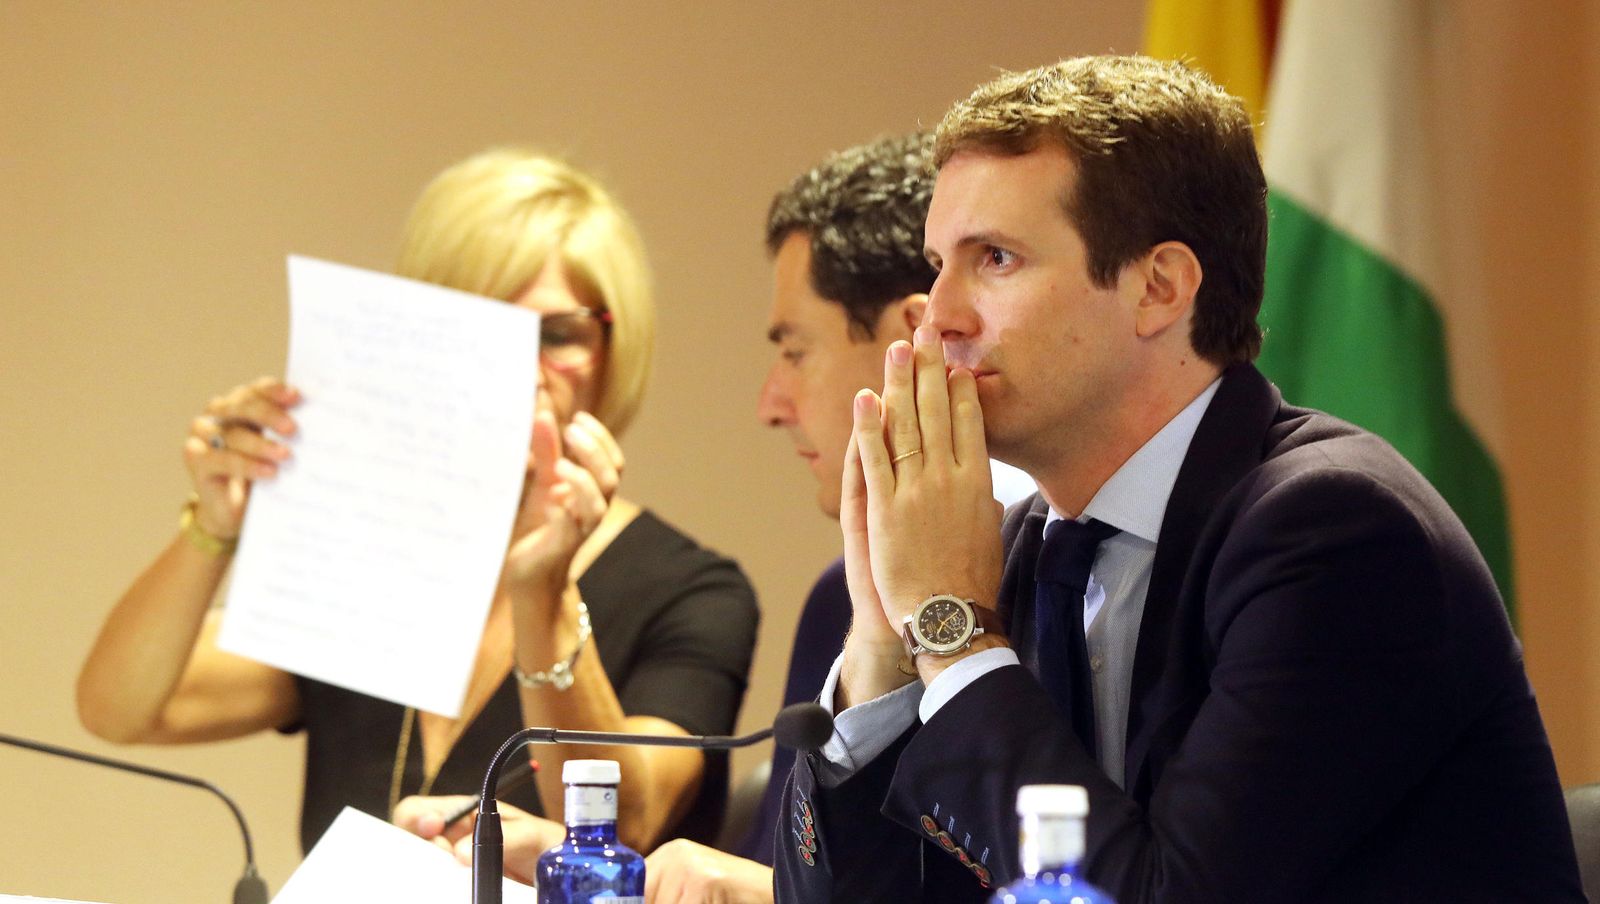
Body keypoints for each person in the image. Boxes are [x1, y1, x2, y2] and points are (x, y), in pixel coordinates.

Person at [774, 56, 1585, 902]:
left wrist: (956, 634)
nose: (939, 315)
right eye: (939, 262)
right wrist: (881, 643)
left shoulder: (1341, 538)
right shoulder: (1020, 552)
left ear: (1159, 288)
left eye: (998, 259)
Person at [76, 149, 760, 857]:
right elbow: (123, 709)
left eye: (556, 336)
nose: (521, 372)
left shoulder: (692, 590)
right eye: (482, 333)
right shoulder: (375, 558)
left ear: (614, 351)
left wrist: (541, 589)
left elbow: (628, 824)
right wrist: (213, 528)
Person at [395, 131, 941, 900]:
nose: (767, 404)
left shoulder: (1049, 584)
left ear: (910, 340)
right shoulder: (836, 603)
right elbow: (794, 874)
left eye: (794, 350)